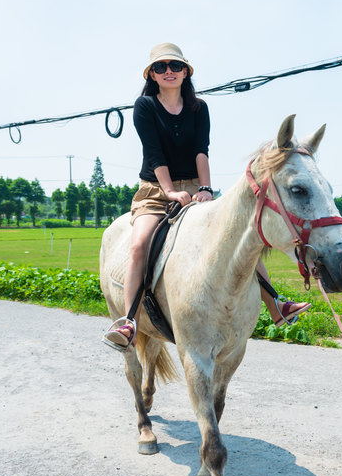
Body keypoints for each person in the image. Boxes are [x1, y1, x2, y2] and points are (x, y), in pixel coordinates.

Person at [103, 43, 309, 351]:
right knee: (139, 243)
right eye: (161, 67)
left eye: (174, 66)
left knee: (237, 234)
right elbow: (153, 152)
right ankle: (129, 321)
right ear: (152, 75)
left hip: (195, 188)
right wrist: (170, 191)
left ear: (185, 72)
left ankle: (275, 304)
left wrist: (205, 188)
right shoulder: (144, 106)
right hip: (155, 190)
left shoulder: (200, 109)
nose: (168, 71)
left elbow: (202, 150)